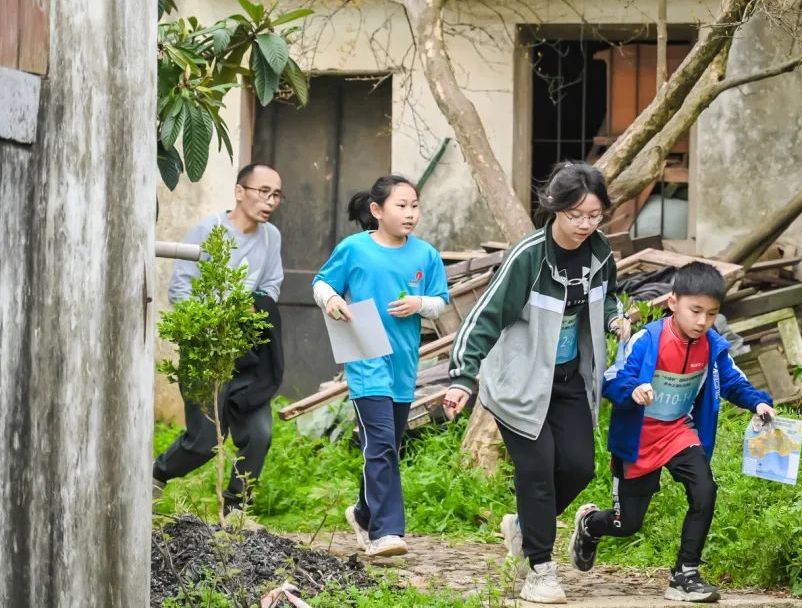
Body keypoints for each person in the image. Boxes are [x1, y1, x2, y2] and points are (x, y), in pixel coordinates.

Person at [442, 162, 632, 604]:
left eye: (594, 215)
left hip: (568, 378)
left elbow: (608, 297)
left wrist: (616, 319)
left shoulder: (600, 252)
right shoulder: (529, 256)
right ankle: (540, 569)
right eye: (575, 215)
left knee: (579, 466)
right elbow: (485, 317)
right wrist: (462, 378)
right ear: (554, 208)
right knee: (538, 471)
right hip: (520, 383)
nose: (585, 224)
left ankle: (526, 527)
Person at [568, 261, 776, 603]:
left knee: (705, 490)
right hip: (639, 437)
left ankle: (685, 574)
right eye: (695, 311)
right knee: (627, 523)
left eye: (711, 314)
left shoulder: (712, 346)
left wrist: (759, 403)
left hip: (679, 431)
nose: (702, 321)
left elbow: (733, 382)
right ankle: (590, 525)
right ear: (673, 302)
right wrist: (633, 391)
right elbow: (613, 379)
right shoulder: (648, 340)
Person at [312, 175, 450, 557]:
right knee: (382, 442)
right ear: (376, 210)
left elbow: (440, 301)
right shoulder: (354, 249)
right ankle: (386, 532)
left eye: (414, 206)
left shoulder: (426, 255)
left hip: (404, 363)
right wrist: (332, 301)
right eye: (401, 206)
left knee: (387, 444)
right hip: (365, 353)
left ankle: (362, 513)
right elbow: (322, 283)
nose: (410, 213)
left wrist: (419, 304)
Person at [153, 163, 285, 515]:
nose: (270, 201)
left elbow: (271, 285)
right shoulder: (207, 230)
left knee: (259, 434)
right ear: (240, 192)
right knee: (204, 442)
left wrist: (253, 308)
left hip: (248, 352)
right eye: (263, 192)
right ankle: (156, 474)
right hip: (207, 350)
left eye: (276, 194)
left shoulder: (271, 237)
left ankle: (236, 511)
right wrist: (214, 321)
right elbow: (180, 289)